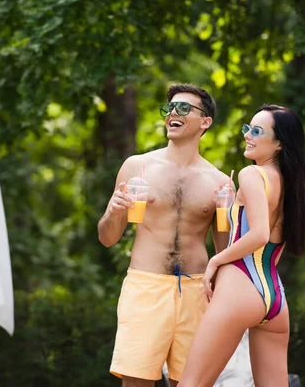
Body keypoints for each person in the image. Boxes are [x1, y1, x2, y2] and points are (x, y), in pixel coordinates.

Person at [98, 84, 232, 387]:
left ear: (205, 122)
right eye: (170, 108)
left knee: (192, 382)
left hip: (198, 291)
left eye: (184, 108)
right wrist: (113, 212)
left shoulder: (219, 182)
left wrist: (228, 211)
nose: (173, 112)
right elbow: (108, 238)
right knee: (136, 383)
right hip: (146, 287)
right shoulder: (137, 167)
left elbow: (224, 251)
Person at [178, 105, 305, 387]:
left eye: (257, 131)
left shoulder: (251, 174)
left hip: (239, 287)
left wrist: (216, 261)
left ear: (278, 143)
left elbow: (259, 234)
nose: (248, 135)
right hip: (274, 297)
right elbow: (265, 237)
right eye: (247, 129)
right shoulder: (290, 183)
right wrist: (231, 207)